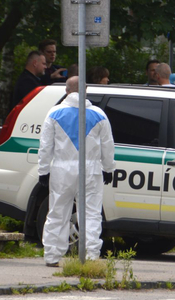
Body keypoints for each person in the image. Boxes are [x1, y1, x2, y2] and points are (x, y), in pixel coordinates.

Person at [38, 76, 116, 266]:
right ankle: (91, 256)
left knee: (58, 211)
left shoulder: (54, 113)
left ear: (66, 91)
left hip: (62, 170)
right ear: (86, 90)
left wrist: (43, 170)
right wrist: (108, 168)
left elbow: (45, 146)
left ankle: (52, 256)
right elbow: (108, 145)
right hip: (91, 170)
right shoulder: (99, 115)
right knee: (91, 213)